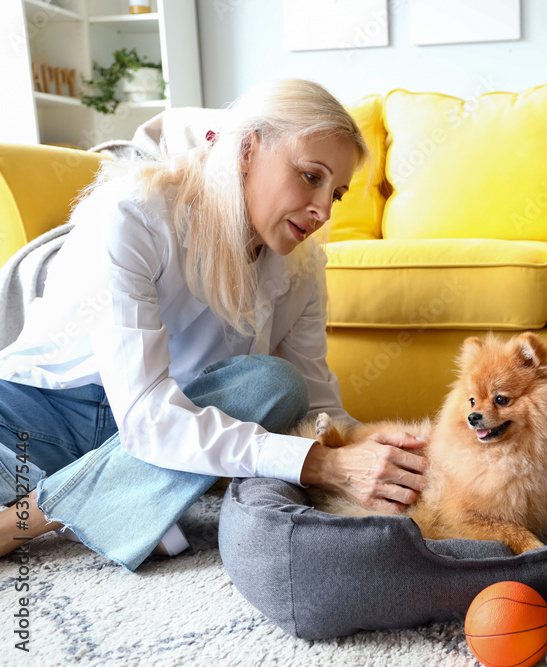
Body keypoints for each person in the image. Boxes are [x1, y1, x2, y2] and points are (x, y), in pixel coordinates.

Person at [0, 79, 428, 570]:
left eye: (337, 193)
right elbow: (145, 421)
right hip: (32, 422)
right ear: (248, 148)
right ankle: (41, 516)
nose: (323, 210)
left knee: (274, 385)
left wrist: (381, 451)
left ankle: (113, 500)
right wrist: (322, 464)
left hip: (160, 438)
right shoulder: (134, 215)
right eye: (311, 176)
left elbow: (320, 405)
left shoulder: (303, 269)